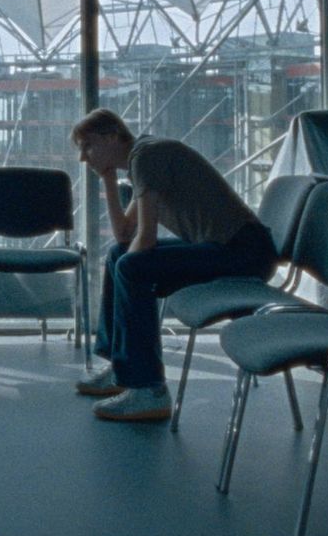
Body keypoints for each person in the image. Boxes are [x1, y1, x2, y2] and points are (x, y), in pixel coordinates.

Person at [71, 109, 277, 421]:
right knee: (118, 256)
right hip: (225, 248)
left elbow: (147, 239)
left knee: (129, 266)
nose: (83, 158)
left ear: (112, 136)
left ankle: (148, 389)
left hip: (244, 252)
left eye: (88, 145)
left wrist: (131, 262)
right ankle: (122, 367)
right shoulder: (142, 160)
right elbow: (126, 234)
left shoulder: (146, 156)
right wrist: (109, 180)